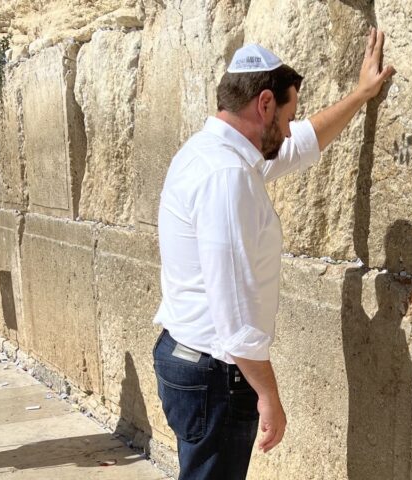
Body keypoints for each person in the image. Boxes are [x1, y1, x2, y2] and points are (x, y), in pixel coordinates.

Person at [152, 28, 395, 480]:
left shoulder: (209, 152)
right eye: (284, 117)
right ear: (263, 103)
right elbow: (235, 312)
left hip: (186, 358)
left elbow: (300, 143)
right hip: (216, 372)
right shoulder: (227, 176)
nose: (285, 131)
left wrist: (361, 94)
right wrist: (268, 395)